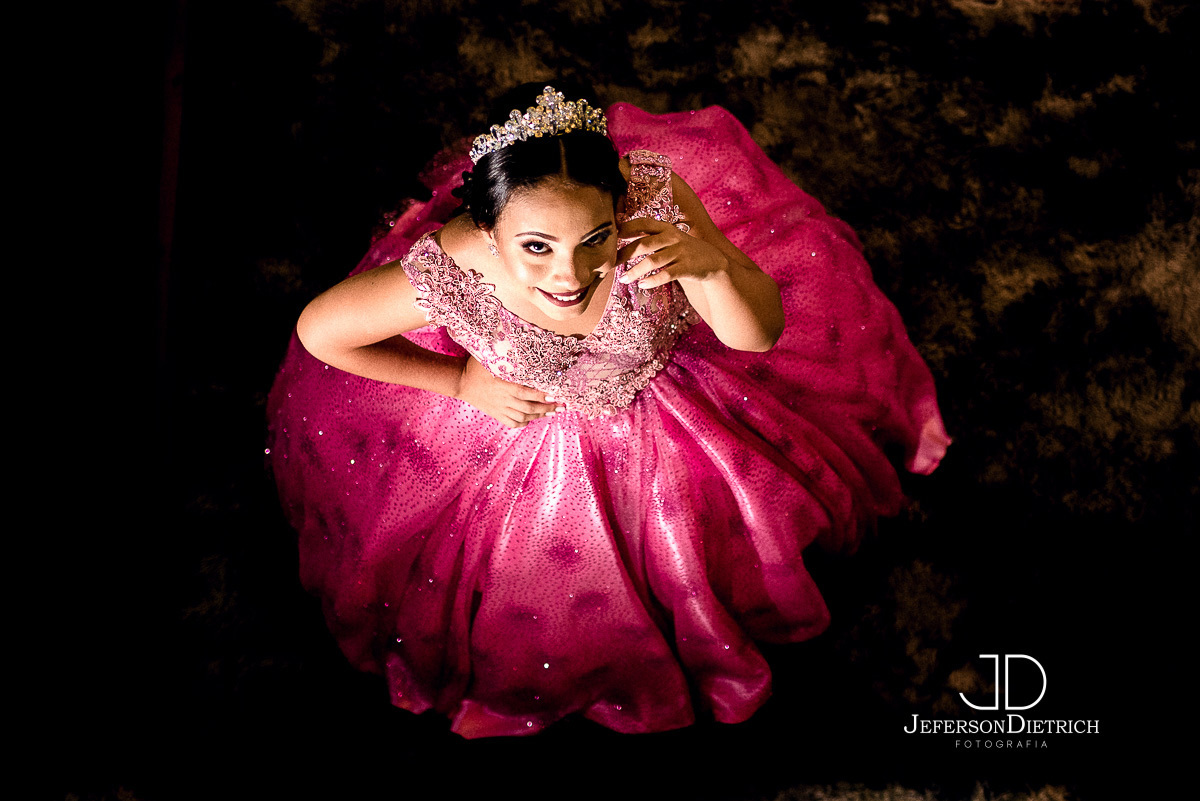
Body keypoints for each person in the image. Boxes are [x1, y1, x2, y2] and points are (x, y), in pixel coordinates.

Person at [267, 82, 951, 738]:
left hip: (680, 407)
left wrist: (708, 264)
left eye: (594, 237)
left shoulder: (654, 208)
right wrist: (456, 384)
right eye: (536, 247)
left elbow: (758, 336)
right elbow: (321, 330)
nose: (569, 274)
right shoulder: (463, 260)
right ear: (488, 228)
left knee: (716, 546)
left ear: (619, 206)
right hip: (530, 441)